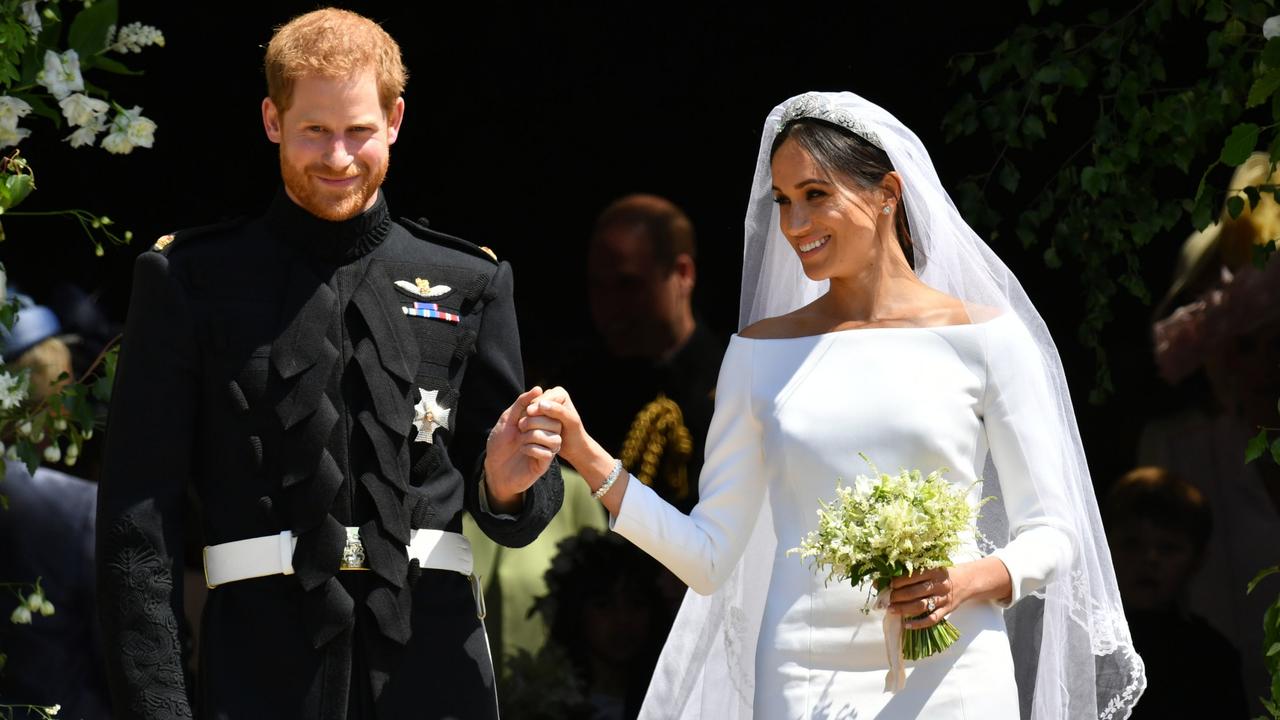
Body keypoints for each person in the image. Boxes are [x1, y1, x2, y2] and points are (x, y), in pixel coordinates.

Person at [529, 92, 1144, 719]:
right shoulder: (757, 356)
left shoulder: (988, 340)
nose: (795, 224)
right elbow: (709, 558)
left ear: (887, 193)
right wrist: (587, 454)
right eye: (784, 201)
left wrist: (966, 581)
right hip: (800, 676)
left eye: (816, 194)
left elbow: (1055, 531)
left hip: (956, 671)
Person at [95, 9, 564, 720]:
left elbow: (519, 503)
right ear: (272, 119)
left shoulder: (471, 281)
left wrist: (505, 488)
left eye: (359, 131)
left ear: (396, 119)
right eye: (315, 130)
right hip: (259, 678)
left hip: (435, 680)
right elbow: (137, 524)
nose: (339, 157)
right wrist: (158, 705)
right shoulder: (190, 280)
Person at [554, 194, 725, 514]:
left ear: (683, 273)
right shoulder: (578, 383)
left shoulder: (730, 381)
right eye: (598, 286)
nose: (609, 306)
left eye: (628, 284)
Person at [1102, 467, 1247, 719]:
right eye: (1132, 543)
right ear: (1104, 548)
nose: (1149, 559)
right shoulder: (1082, 642)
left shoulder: (1211, 657)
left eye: (1168, 548)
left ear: (1197, 560)